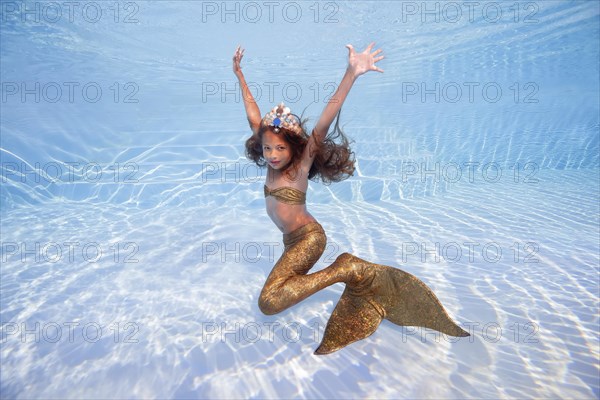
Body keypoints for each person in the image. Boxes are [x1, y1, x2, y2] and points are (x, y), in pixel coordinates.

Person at [233, 43, 469, 355]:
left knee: (269, 302)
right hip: (292, 242)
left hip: (308, 239)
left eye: (280, 149)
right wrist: (239, 74)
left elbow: (324, 120)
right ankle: (345, 272)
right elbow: (253, 113)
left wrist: (351, 73)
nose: (273, 155)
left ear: (293, 147)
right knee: (279, 293)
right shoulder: (267, 148)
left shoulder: (299, 167)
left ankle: (345, 268)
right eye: (267, 148)